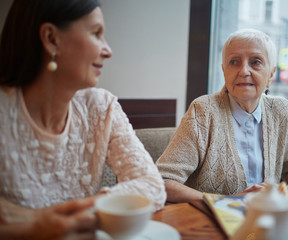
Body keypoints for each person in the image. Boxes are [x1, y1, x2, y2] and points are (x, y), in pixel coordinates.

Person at [0, 0, 166, 236]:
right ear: (51, 38)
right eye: (96, 33)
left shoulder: (101, 107)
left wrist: (54, 214)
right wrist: (36, 226)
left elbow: (153, 185)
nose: (108, 50)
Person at [156, 28, 288, 203]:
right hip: (213, 223)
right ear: (224, 72)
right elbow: (162, 182)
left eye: (256, 62)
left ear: (271, 75)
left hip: (268, 218)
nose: (244, 71)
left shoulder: (283, 110)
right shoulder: (203, 111)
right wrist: (227, 202)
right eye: (234, 62)